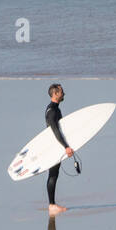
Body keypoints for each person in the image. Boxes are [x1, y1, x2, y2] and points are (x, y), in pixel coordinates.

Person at [45, 83, 74, 215]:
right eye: (62, 92)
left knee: (54, 175)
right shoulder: (52, 111)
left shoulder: (55, 109)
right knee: (53, 174)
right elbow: (55, 131)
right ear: (55, 94)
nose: (64, 94)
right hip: (53, 146)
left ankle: (52, 204)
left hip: (56, 145)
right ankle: (51, 205)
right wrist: (66, 146)